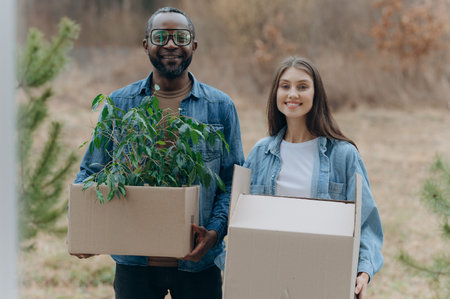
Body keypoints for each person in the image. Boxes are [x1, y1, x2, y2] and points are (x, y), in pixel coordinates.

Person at [72, 7, 244, 299]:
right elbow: (92, 171)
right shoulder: (120, 103)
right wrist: (81, 230)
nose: (171, 44)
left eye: (181, 37)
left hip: (198, 264)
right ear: (146, 45)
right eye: (161, 36)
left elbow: (232, 182)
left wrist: (214, 232)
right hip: (134, 262)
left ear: (194, 45)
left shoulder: (220, 106)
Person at [243, 56, 383, 298]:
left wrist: (363, 273)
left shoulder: (343, 155)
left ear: (316, 94)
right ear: (275, 93)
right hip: (269, 278)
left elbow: (367, 223)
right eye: (285, 86)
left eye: (303, 86)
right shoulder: (260, 153)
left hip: (324, 276)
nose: (292, 94)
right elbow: (240, 218)